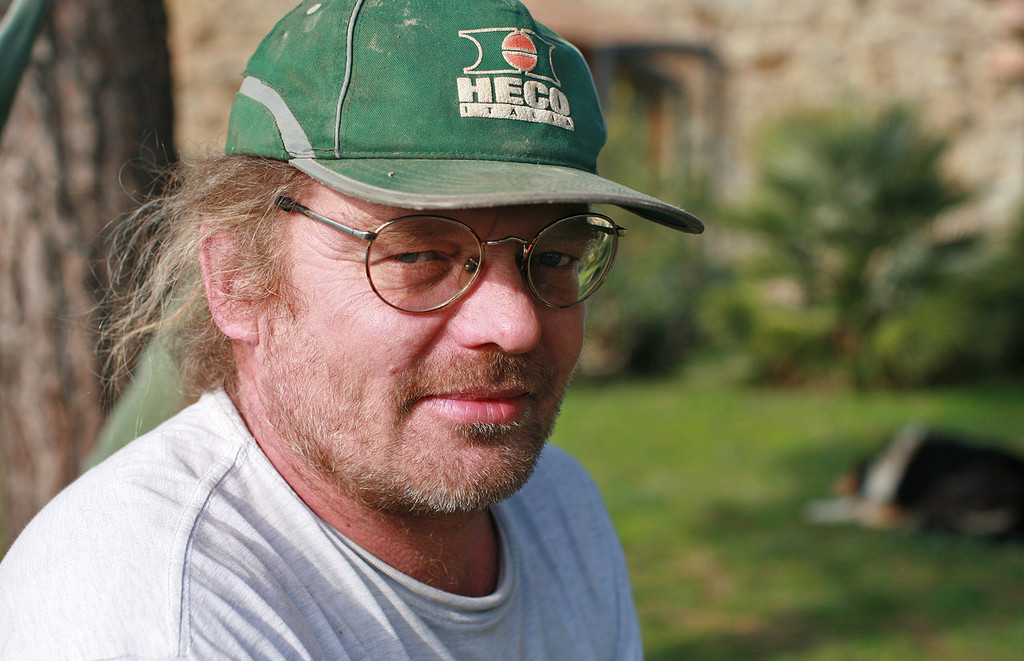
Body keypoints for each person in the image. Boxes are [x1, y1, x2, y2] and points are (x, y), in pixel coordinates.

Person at [0, 0, 703, 658]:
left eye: (554, 258)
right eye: (418, 256)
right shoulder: (159, 613)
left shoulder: (560, 509)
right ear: (238, 279)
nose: (515, 324)